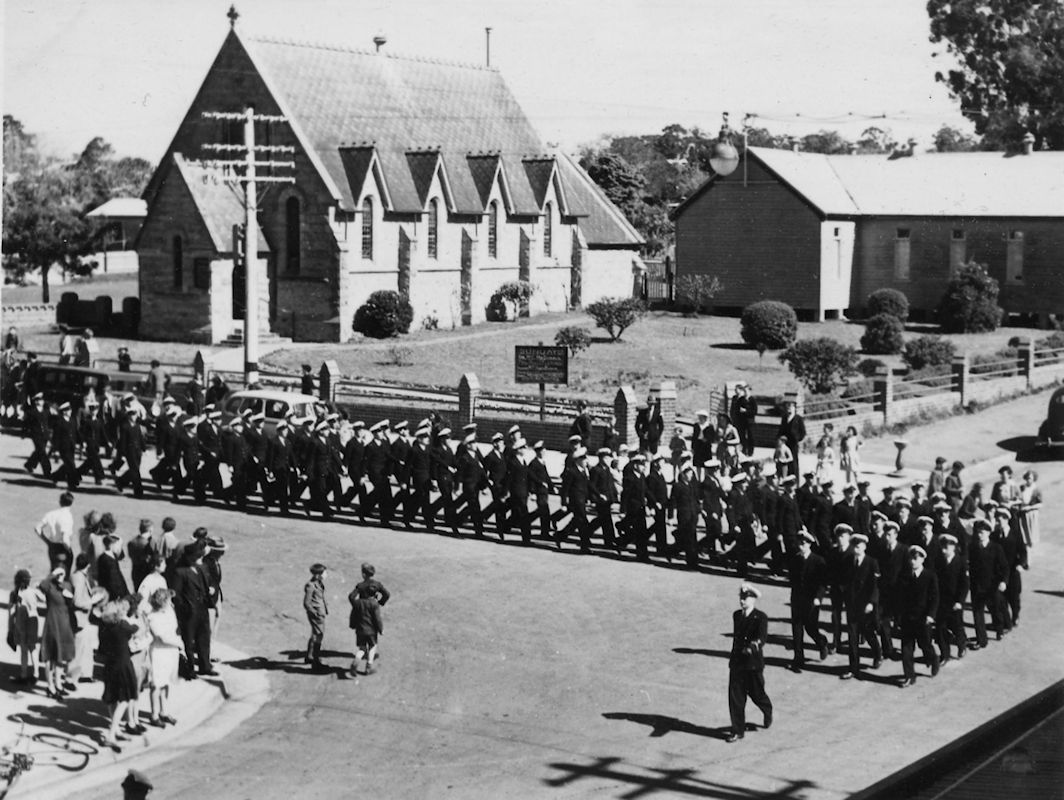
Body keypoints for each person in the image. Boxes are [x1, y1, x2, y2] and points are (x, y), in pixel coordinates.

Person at [726, 583, 772, 743]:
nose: (742, 601)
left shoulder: (761, 617)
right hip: (737, 663)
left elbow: (762, 638)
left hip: (753, 664)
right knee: (736, 698)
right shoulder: (736, 615)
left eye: (745, 598)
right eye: (741, 597)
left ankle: (767, 709)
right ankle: (737, 730)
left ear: (753, 600)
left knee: (757, 694)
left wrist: (753, 647)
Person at [98, 598, 140, 751]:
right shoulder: (123, 626)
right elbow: (136, 628)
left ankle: (116, 730)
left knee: (112, 699)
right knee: (125, 699)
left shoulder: (104, 627)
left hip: (110, 665)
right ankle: (111, 734)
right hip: (123, 665)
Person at [840, 532, 881, 679]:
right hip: (852, 604)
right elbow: (844, 580)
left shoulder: (872, 562)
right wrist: (845, 594)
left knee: (868, 633)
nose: (856, 548)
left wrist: (871, 602)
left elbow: (875, 586)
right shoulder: (847, 561)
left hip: (866, 606)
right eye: (854, 546)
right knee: (852, 637)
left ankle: (877, 653)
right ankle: (853, 668)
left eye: (859, 546)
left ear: (864, 547)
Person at [897, 545, 940, 687]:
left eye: (915, 559)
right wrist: (898, 616)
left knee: (925, 644)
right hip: (907, 618)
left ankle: (933, 659)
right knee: (906, 649)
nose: (912, 561)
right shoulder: (904, 575)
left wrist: (931, 615)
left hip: (923, 618)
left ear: (922, 559)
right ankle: (909, 676)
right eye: (911, 558)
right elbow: (899, 597)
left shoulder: (930, 576)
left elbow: (935, 597)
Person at [171, 540, 214, 678]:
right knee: (189, 641)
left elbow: (205, 586)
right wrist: (185, 608)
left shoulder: (200, 569)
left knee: (204, 638)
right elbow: (176, 595)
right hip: (190, 612)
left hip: (202, 609)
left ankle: (205, 666)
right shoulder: (180, 572)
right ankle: (190, 669)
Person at [788, 530, 829, 672]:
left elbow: (823, 584)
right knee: (797, 629)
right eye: (799, 543)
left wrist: (818, 598)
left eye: (804, 543)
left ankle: (822, 642)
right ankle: (798, 659)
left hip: (812, 600)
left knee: (811, 628)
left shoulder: (818, 561)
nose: (801, 545)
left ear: (810, 544)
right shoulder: (794, 559)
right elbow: (792, 579)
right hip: (797, 599)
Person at [39, 563, 76, 698]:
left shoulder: (67, 586)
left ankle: (58, 684)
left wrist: (69, 597)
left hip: (64, 624)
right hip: (52, 623)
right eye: (58, 574)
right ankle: (50, 687)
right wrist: (52, 575)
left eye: (62, 573)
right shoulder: (49, 585)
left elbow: (72, 604)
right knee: (51, 656)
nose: (60, 576)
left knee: (61, 656)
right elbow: (42, 586)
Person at [146, 587, 181, 728]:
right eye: (169, 600)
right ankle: (154, 715)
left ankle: (164, 711)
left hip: (171, 652)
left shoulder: (170, 611)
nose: (171, 602)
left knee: (166, 682)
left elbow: (174, 628)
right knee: (156, 684)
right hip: (159, 652)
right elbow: (161, 638)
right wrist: (180, 643)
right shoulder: (152, 617)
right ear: (163, 601)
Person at [70, 553, 104, 683]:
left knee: (86, 648)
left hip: (84, 618)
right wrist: (93, 600)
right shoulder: (79, 578)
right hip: (80, 618)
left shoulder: (77, 576)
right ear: (88, 565)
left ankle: (85, 674)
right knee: (79, 649)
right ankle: (72, 678)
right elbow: (77, 601)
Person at [935, 533, 968, 664]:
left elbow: (964, 585)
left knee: (956, 626)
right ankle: (945, 654)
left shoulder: (961, 562)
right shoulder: (938, 561)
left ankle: (961, 645)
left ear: (953, 547)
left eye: (946, 548)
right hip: (941, 601)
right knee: (940, 628)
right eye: (942, 548)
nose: (944, 551)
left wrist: (960, 601)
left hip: (955, 602)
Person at [9, 569, 44, 685]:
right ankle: (36, 674)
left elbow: (11, 612)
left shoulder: (15, 593)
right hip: (33, 621)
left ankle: (23, 675)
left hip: (21, 622)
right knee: (33, 648)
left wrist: (10, 628)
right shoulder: (33, 592)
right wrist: (39, 587)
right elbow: (44, 598)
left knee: (23, 650)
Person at [348, 581, 384, 676]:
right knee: (372, 647)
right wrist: (381, 629)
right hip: (371, 631)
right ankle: (368, 667)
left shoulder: (357, 603)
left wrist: (352, 625)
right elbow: (377, 619)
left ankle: (355, 662)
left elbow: (353, 615)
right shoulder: (374, 604)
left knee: (362, 648)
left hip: (360, 630)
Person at [35, 491, 76, 570]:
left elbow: (37, 528)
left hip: (52, 547)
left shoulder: (51, 514)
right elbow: (65, 539)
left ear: (60, 502)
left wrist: (47, 541)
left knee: (54, 570)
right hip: (63, 549)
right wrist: (69, 550)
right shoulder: (67, 516)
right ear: (71, 503)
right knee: (63, 573)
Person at [303, 563, 328, 670]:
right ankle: (315, 661)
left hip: (319, 613)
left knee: (315, 634)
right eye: (324, 573)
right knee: (319, 635)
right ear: (318, 575)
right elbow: (306, 603)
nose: (326, 574)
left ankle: (309, 656)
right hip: (317, 615)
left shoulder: (318, 583)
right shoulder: (311, 585)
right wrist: (315, 613)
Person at [775, 400, 805, 478]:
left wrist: (797, 438)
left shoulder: (798, 419)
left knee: (793, 462)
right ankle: (785, 479)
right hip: (784, 444)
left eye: (791, 407)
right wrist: (778, 439)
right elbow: (781, 430)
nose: (789, 409)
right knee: (784, 462)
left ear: (794, 408)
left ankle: (795, 480)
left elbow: (803, 432)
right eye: (788, 407)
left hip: (793, 444)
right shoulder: (784, 418)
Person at [97, 533, 130, 600]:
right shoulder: (109, 561)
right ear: (112, 545)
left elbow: (121, 556)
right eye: (118, 546)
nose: (119, 548)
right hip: (116, 595)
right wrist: (120, 595)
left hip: (112, 593)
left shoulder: (106, 557)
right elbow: (114, 581)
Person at [1016, 469, 1042, 550]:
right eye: (1027, 478)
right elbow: (1020, 498)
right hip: (1023, 513)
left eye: (1030, 478)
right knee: (1024, 533)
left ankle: (1032, 548)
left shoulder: (1036, 489)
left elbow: (1040, 504)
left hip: (1032, 514)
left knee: (1032, 533)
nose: (1028, 480)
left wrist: (1030, 507)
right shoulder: (1022, 487)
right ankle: (1026, 548)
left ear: (1034, 479)